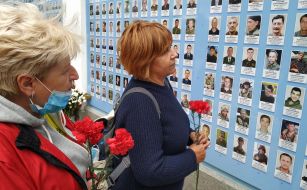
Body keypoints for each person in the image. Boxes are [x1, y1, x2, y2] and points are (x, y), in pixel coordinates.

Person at [0, 4, 88, 189]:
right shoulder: (5, 158)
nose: (75, 75)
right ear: (27, 84)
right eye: (65, 71)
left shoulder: (38, 109)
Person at [115, 20, 209, 190]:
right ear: (145, 59)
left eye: (171, 47)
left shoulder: (161, 83)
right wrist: (192, 156)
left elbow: (163, 126)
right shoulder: (139, 102)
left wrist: (190, 136)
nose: (174, 54)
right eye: (165, 51)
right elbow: (149, 171)